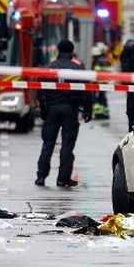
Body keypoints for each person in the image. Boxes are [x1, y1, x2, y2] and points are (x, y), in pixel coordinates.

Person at [35, 39, 92, 187]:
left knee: (48, 144)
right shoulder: (77, 69)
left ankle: (41, 176)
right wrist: (87, 110)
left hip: (52, 109)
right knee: (67, 145)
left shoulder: (49, 68)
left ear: (58, 51)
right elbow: (85, 91)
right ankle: (63, 178)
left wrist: (43, 109)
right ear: (72, 52)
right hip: (70, 109)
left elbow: (40, 91)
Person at [90, 42, 111, 119]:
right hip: (104, 83)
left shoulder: (97, 62)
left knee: (97, 99)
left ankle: (98, 113)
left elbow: (95, 73)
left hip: (98, 84)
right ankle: (105, 112)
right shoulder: (105, 61)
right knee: (103, 98)